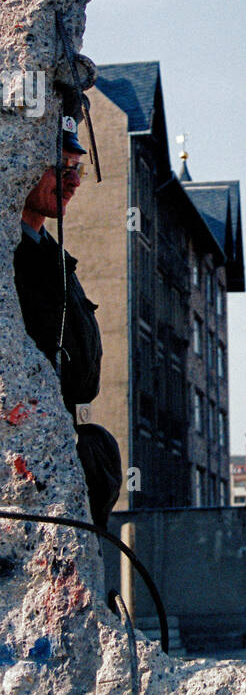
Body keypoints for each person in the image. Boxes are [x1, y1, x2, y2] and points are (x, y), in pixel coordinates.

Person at [14, 105, 122, 529]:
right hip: (35, 447)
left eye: (78, 168)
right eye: (61, 167)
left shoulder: (52, 254)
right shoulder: (14, 254)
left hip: (76, 442)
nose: (74, 181)